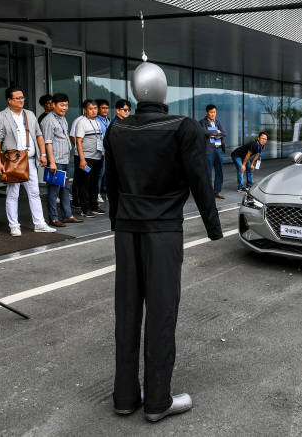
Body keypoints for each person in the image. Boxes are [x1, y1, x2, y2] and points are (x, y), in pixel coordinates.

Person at [105, 62, 222, 423]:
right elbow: (200, 179)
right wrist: (213, 227)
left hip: (126, 229)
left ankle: (125, 397)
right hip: (163, 230)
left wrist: (116, 220)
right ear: (163, 91)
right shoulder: (182, 127)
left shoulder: (116, 128)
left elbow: (111, 182)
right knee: (161, 312)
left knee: (126, 311)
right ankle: (157, 401)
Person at [0, 86, 56, 236]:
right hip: (13, 161)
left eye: (22, 97)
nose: (21, 100)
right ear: (9, 100)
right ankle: (14, 225)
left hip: (31, 160)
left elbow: (39, 135)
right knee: (13, 193)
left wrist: (43, 154)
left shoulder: (30, 114)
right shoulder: (1, 116)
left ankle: (39, 223)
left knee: (34, 193)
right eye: (18, 98)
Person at [41, 93, 83, 227]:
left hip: (64, 159)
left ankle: (68, 215)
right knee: (53, 191)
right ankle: (53, 218)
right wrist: (51, 162)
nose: (65, 108)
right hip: (56, 160)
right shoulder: (48, 120)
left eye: (66, 105)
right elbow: (47, 142)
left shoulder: (62, 118)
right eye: (62, 105)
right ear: (53, 105)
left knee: (65, 189)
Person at [73, 99, 104, 218]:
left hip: (96, 157)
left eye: (95, 108)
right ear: (85, 110)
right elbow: (78, 142)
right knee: (84, 183)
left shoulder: (96, 122)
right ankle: (85, 209)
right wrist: (82, 159)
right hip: (85, 158)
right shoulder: (81, 122)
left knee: (94, 183)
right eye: (91, 109)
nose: (93, 111)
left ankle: (94, 206)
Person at [198, 104, 226, 199]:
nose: (213, 114)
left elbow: (224, 133)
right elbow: (202, 132)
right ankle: (208, 193)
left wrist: (213, 134)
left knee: (219, 172)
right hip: (209, 151)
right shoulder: (202, 122)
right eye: (211, 112)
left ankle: (217, 192)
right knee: (208, 173)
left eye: (214, 112)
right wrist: (216, 132)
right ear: (207, 113)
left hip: (218, 150)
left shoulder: (218, 122)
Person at [95, 99, 111, 203]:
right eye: (103, 108)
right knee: (99, 174)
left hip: (108, 151)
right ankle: (97, 194)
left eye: (106, 108)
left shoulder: (107, 120)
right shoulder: (96, 120)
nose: (105, 110)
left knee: (106, 173)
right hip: (100, 151)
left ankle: (106, 192)